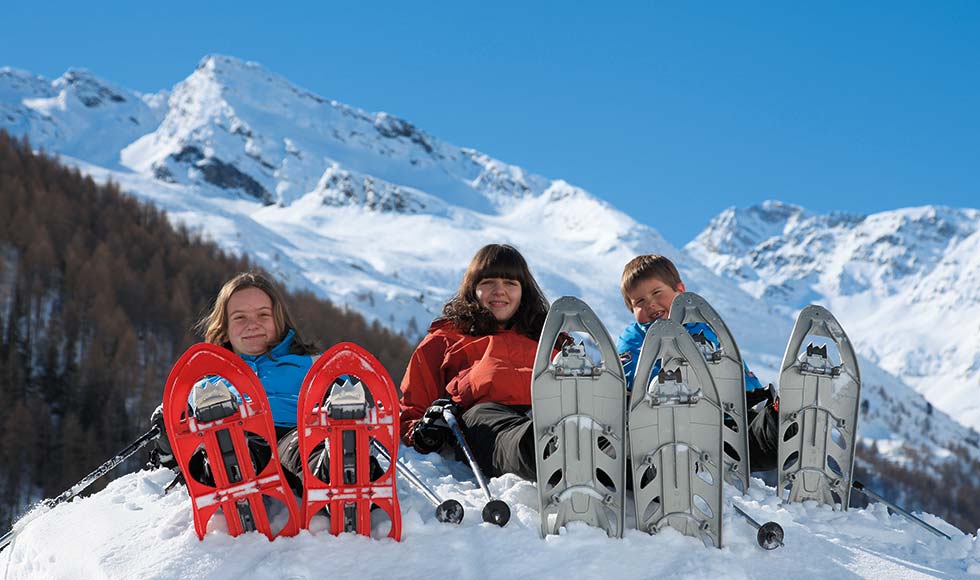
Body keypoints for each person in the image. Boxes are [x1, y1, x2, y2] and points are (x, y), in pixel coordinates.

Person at [149, 272, 322, 493]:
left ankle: (339, 467)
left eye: (263, 315)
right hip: (240, 432)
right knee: (230, 440)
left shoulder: (312, 363)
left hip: (296, 434)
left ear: (279, 320)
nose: (253, 325)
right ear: (225, 327)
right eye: (240, 318)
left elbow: (350, 394)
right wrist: (169, 430)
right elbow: (186, 437)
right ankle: (228, 469)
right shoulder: (206, 383)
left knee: (311, 447)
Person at [399, 244, 550, 481]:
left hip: (554, 411)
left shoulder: (549, 337)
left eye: (510, 283)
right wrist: (423, 432)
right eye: (488, 282)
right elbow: (412, 412)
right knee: (492, 426)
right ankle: (547, 450)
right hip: (487, 419)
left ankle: (618, 457)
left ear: (524, 292)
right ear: (473, 289)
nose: (499, 291)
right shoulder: (445, 339)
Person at [615, 254, 779, 472]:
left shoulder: (704, 329)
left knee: (759, 443)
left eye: (656, 293)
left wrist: (751, 397)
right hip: (661, 426)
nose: (651, 303)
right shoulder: (633, 340)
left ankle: (783, 421)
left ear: (679, 290)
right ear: (631, 309)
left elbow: (735, 374)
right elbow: (625, 383)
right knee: (627, 446)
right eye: (639, 302)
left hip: (722, 423)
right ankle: (649, 472)